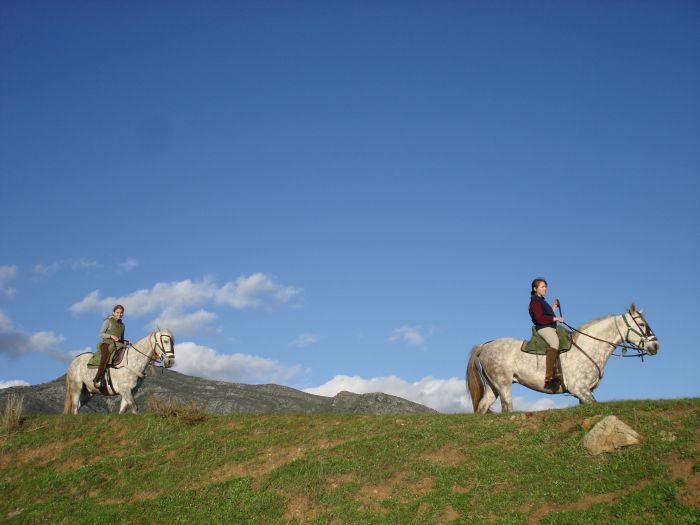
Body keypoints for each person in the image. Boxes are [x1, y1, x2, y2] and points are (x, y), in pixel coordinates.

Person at [528, 278, 565, 388]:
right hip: (543, 328)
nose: (545, 288)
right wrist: (556, 319)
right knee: (555, 343)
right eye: (542, 286)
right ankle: (549, 376)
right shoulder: (535, 302)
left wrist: (553, 307)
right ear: (535, 289)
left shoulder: (542, 301)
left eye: (545, 286)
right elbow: (540, 319)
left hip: (549, 326)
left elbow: (547, 316)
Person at [93, 304, 131, 388]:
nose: (119, 314)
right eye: (117, 312)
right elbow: (101, 334)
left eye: (121, 313)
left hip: (118, 344)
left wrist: (126, 341)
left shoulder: (122, 325)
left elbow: (121, 338)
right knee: (105, 356)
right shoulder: (108, 321)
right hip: (106, 343)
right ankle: (98, 378)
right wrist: (111, 336)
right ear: (113, 312)